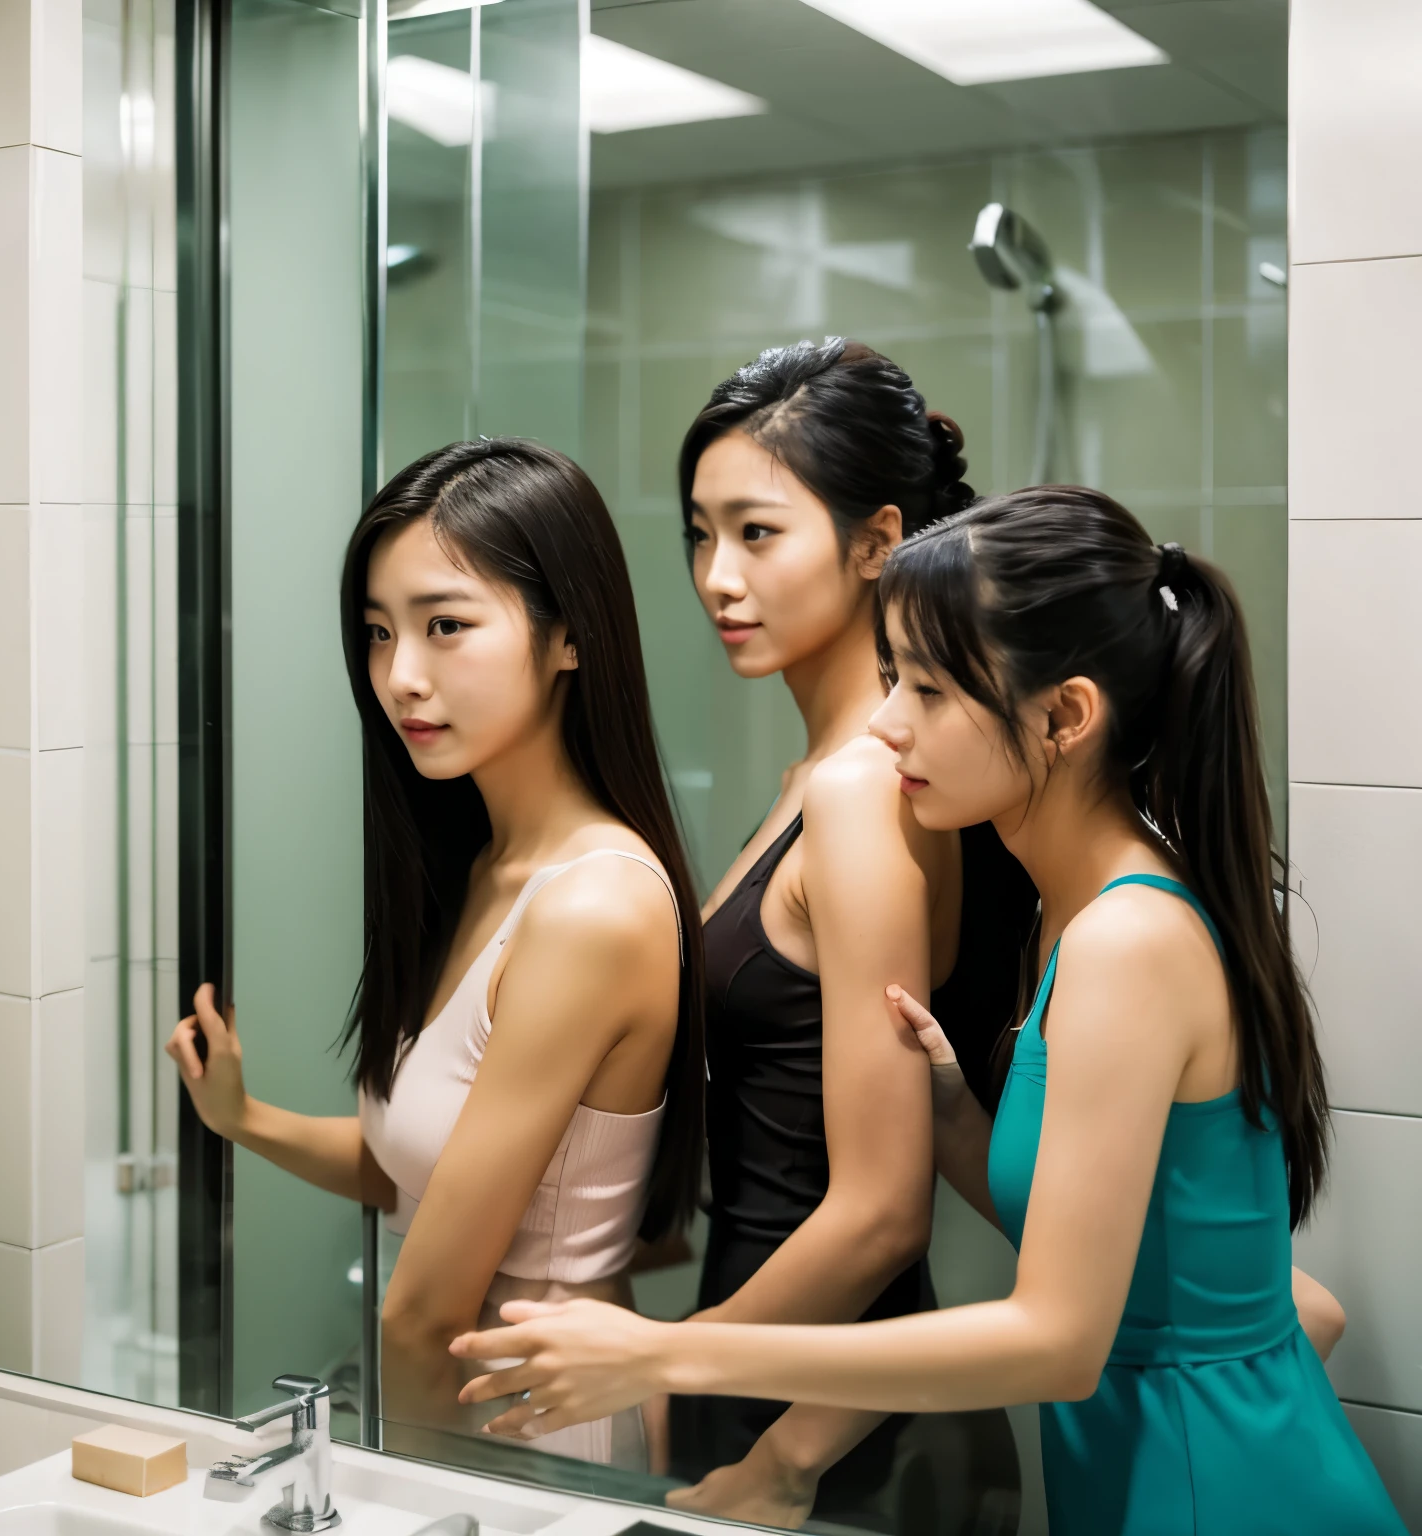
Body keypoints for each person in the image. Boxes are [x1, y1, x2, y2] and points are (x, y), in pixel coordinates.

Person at [451, 487, 1406, 1535]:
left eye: (931, 690)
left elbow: (1055, 1338)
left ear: (1067, 717)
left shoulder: (1126, 941)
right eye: (891, 674)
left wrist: (669, 1350)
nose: (885, 721)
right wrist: (961, 1131)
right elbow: (1237, 1286)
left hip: (1213, 1498)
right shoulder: (1085, 914)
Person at [165, 438, 705, 1469]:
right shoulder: (491, 868)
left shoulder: (592, 904)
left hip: (530, 1429)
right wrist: (246, 1120)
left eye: (445, 626)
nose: (398, 676)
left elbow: (422, 1315)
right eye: (377, 633)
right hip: (473, 1411)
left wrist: (392, 1491)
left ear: (569, 637)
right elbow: (419, 1172)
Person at [656, 340, 1034, 1525]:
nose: (718, 576)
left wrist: (674, 1364)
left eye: (757, 533)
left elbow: (878, 1208)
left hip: (805, 1403)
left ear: (876, 541)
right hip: (775, 1355)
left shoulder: (868, 786)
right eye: (699, 535)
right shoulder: (829, 773)